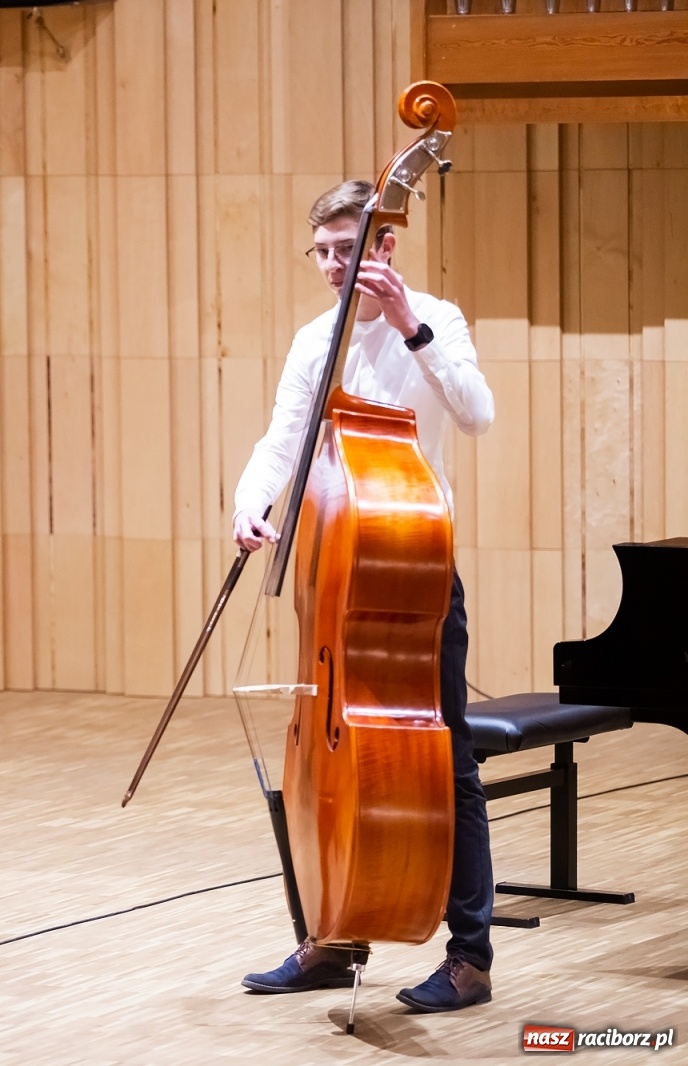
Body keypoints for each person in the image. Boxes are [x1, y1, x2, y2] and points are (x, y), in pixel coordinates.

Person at [232, 181, 496, 1012]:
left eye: (350, 247)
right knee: (325, 758)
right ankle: (334, 932)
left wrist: (413, 327)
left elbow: (477, 413)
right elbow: (284, 437)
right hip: (338, 573)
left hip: (414, 574)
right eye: (323, 251)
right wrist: (249, 501)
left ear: (383, 246)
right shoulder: (315, 341)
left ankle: (471, 956)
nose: (337, 264)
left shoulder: (437, 320)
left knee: (446, 760)